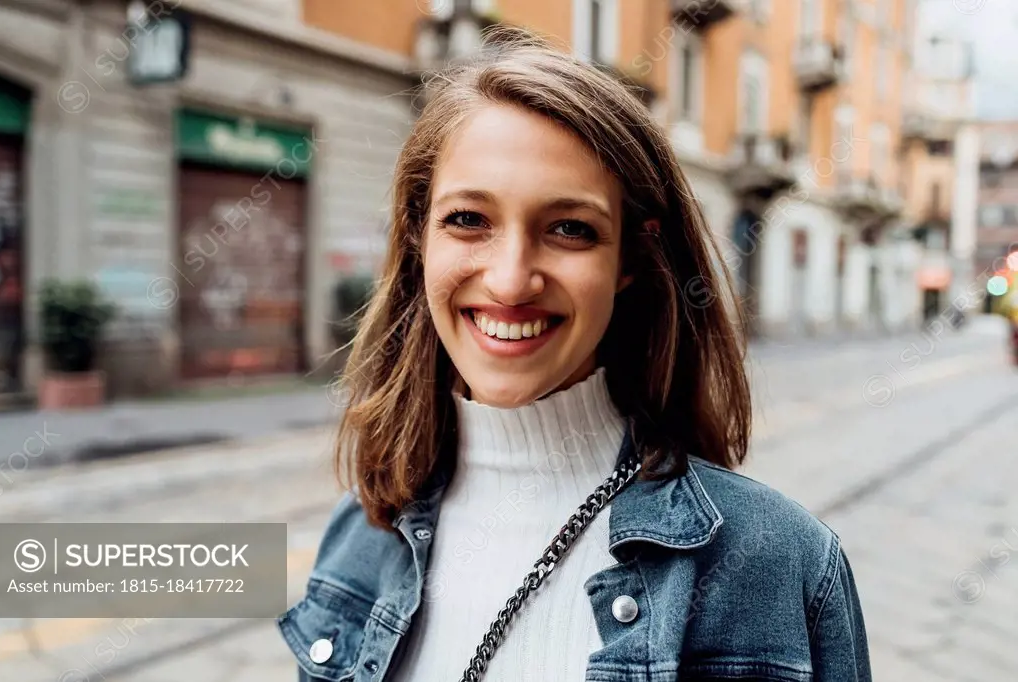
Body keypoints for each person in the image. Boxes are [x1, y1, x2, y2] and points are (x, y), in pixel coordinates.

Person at [277, 28, 871, 682]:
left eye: (569, 229)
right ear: (421, 238)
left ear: (629, 261)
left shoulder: (778, 564)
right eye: (468, 219)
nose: (509, 280)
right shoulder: (359, 530)